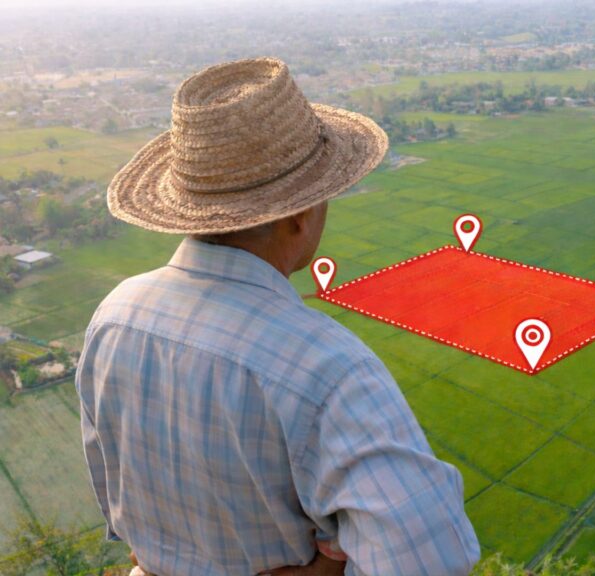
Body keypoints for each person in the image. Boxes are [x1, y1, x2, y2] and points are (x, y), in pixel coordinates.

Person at [75, 57, 480, 576]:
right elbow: (433, 562)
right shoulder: (326, 366)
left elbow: (118, 504)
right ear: (298, 211)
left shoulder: (114, 317)